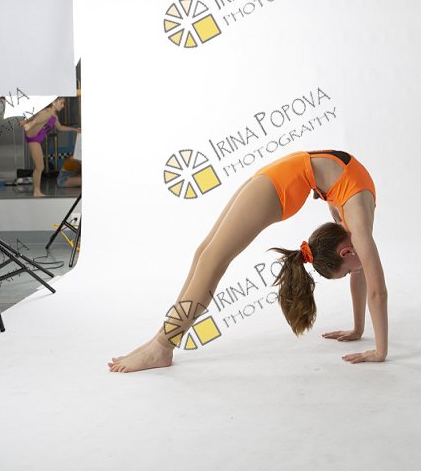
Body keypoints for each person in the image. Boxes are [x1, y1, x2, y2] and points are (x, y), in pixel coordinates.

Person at [108, 150, 388, 373]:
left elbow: (361, 273)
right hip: (280, 184)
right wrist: (380, 351)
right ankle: (162, 345)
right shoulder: (360, 231)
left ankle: (163, 337)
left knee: (205, 253)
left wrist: (358, 329)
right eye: (347, 272)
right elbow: (378, 292)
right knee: (212, 260)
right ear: (346, 252)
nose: (357, 269)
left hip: (279, 173)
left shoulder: (349, 222)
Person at [20, 98, 80, 197]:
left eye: (64, 104)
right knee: (48, 113)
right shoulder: (46, 112)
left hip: (36, 138)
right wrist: (27, 121)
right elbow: (36, 116)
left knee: (40, 167)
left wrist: (74, 129)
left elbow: (60, 127)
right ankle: (36, 191)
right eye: (61, 103)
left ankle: (36, 191)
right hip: (32, 136)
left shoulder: (54, 117)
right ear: (54, 102)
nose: (63, 106)